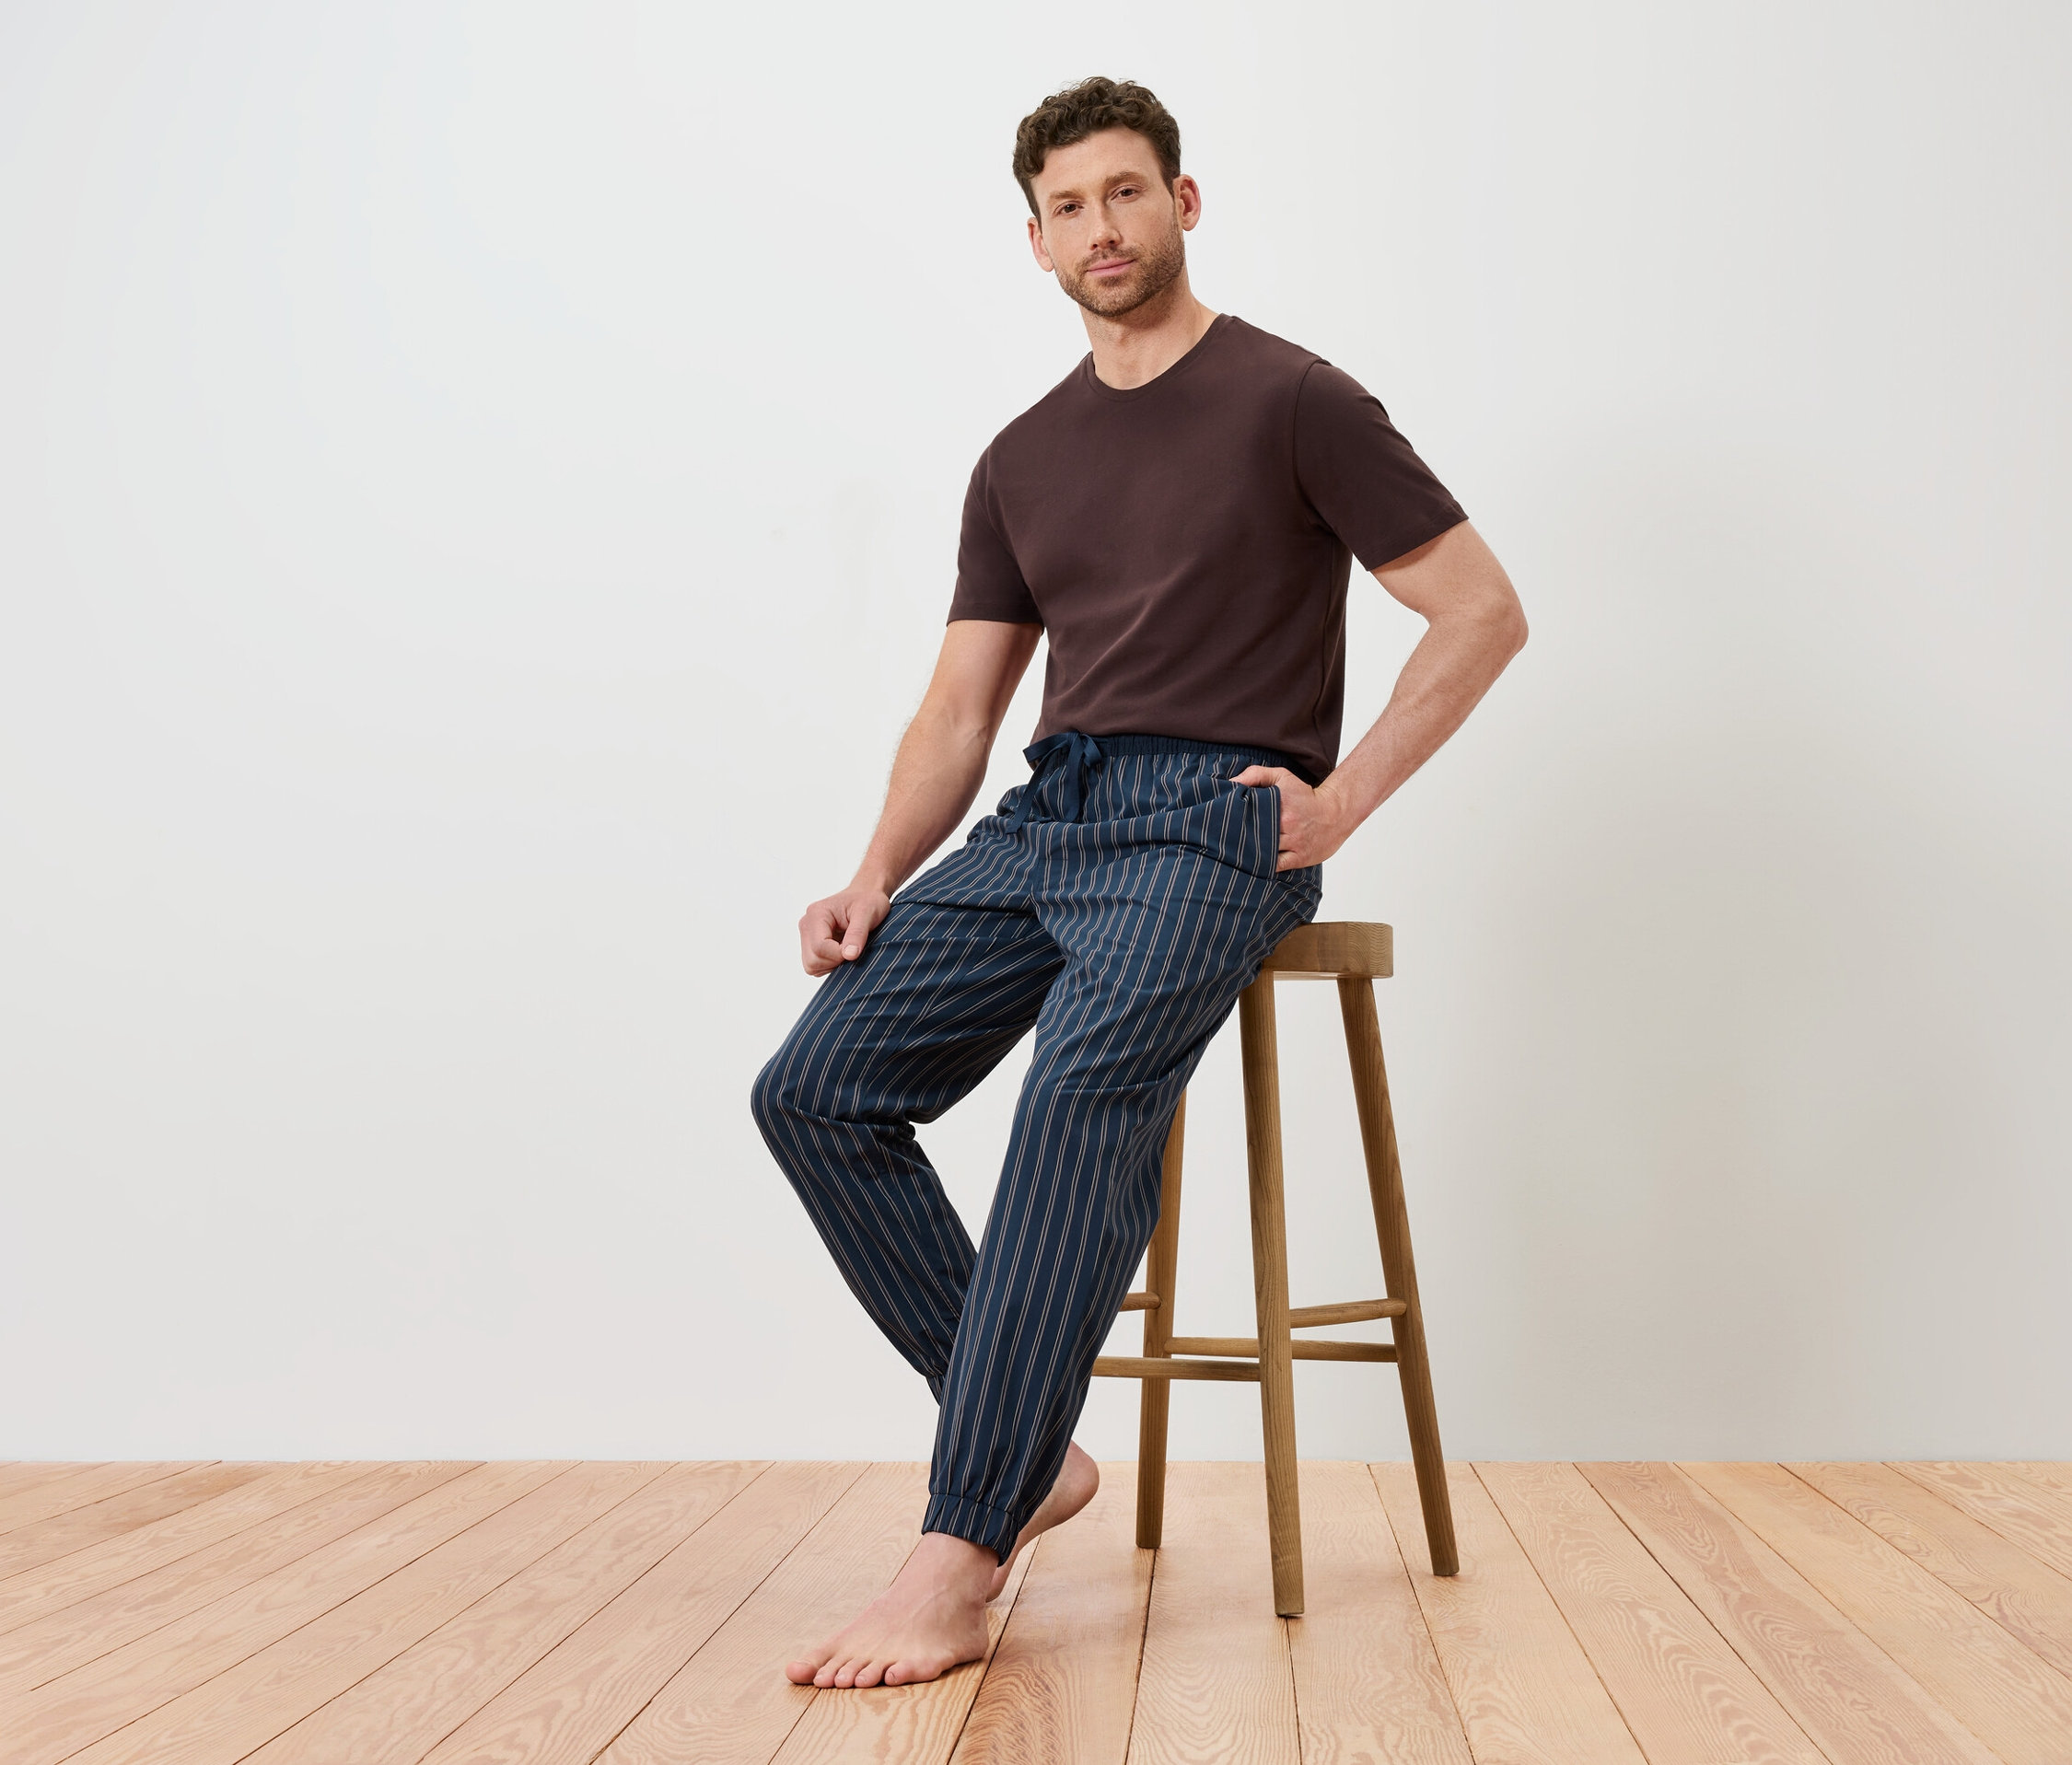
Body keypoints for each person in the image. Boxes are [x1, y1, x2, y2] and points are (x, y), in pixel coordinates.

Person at [750, 75, 1527, 1690]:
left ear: (1183, 201)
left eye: (1124, 192)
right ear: (1031, 242)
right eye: (1065, 207)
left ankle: (959, 1545)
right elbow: (961, 705)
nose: (1098, 228)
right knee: (815, 1085)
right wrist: (877, 871)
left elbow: (1477, 610)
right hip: (1052, 816)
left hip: (1208, 819)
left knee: (1077, 1094)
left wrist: (1344, 799)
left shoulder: (1294, 398)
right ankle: (1026, 1444)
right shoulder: (1020, 455)